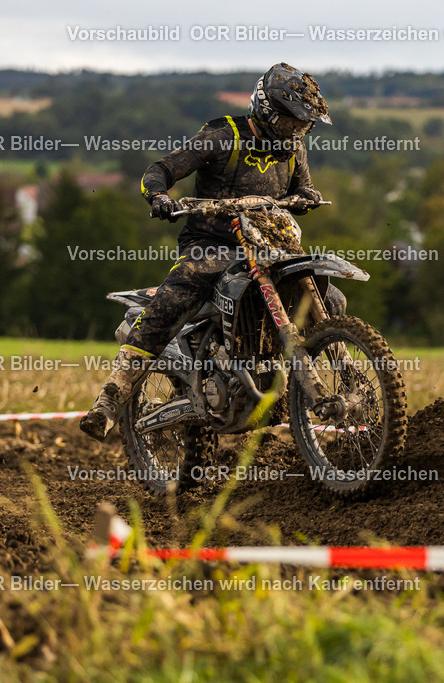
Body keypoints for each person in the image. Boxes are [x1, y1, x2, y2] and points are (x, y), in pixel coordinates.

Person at [81, 62, 345, 440]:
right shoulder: (222, 136)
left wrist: (306, 197)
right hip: (213, 243)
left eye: (303, 126)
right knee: (173, 297)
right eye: (291, 123)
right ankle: (110, 399)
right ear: (268, 110)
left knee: (330, 297)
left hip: (271, 241)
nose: (296, 132)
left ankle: (308, 381)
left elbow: (304, 188)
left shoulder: (293, 148)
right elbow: (161, 168)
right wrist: (158, 196)